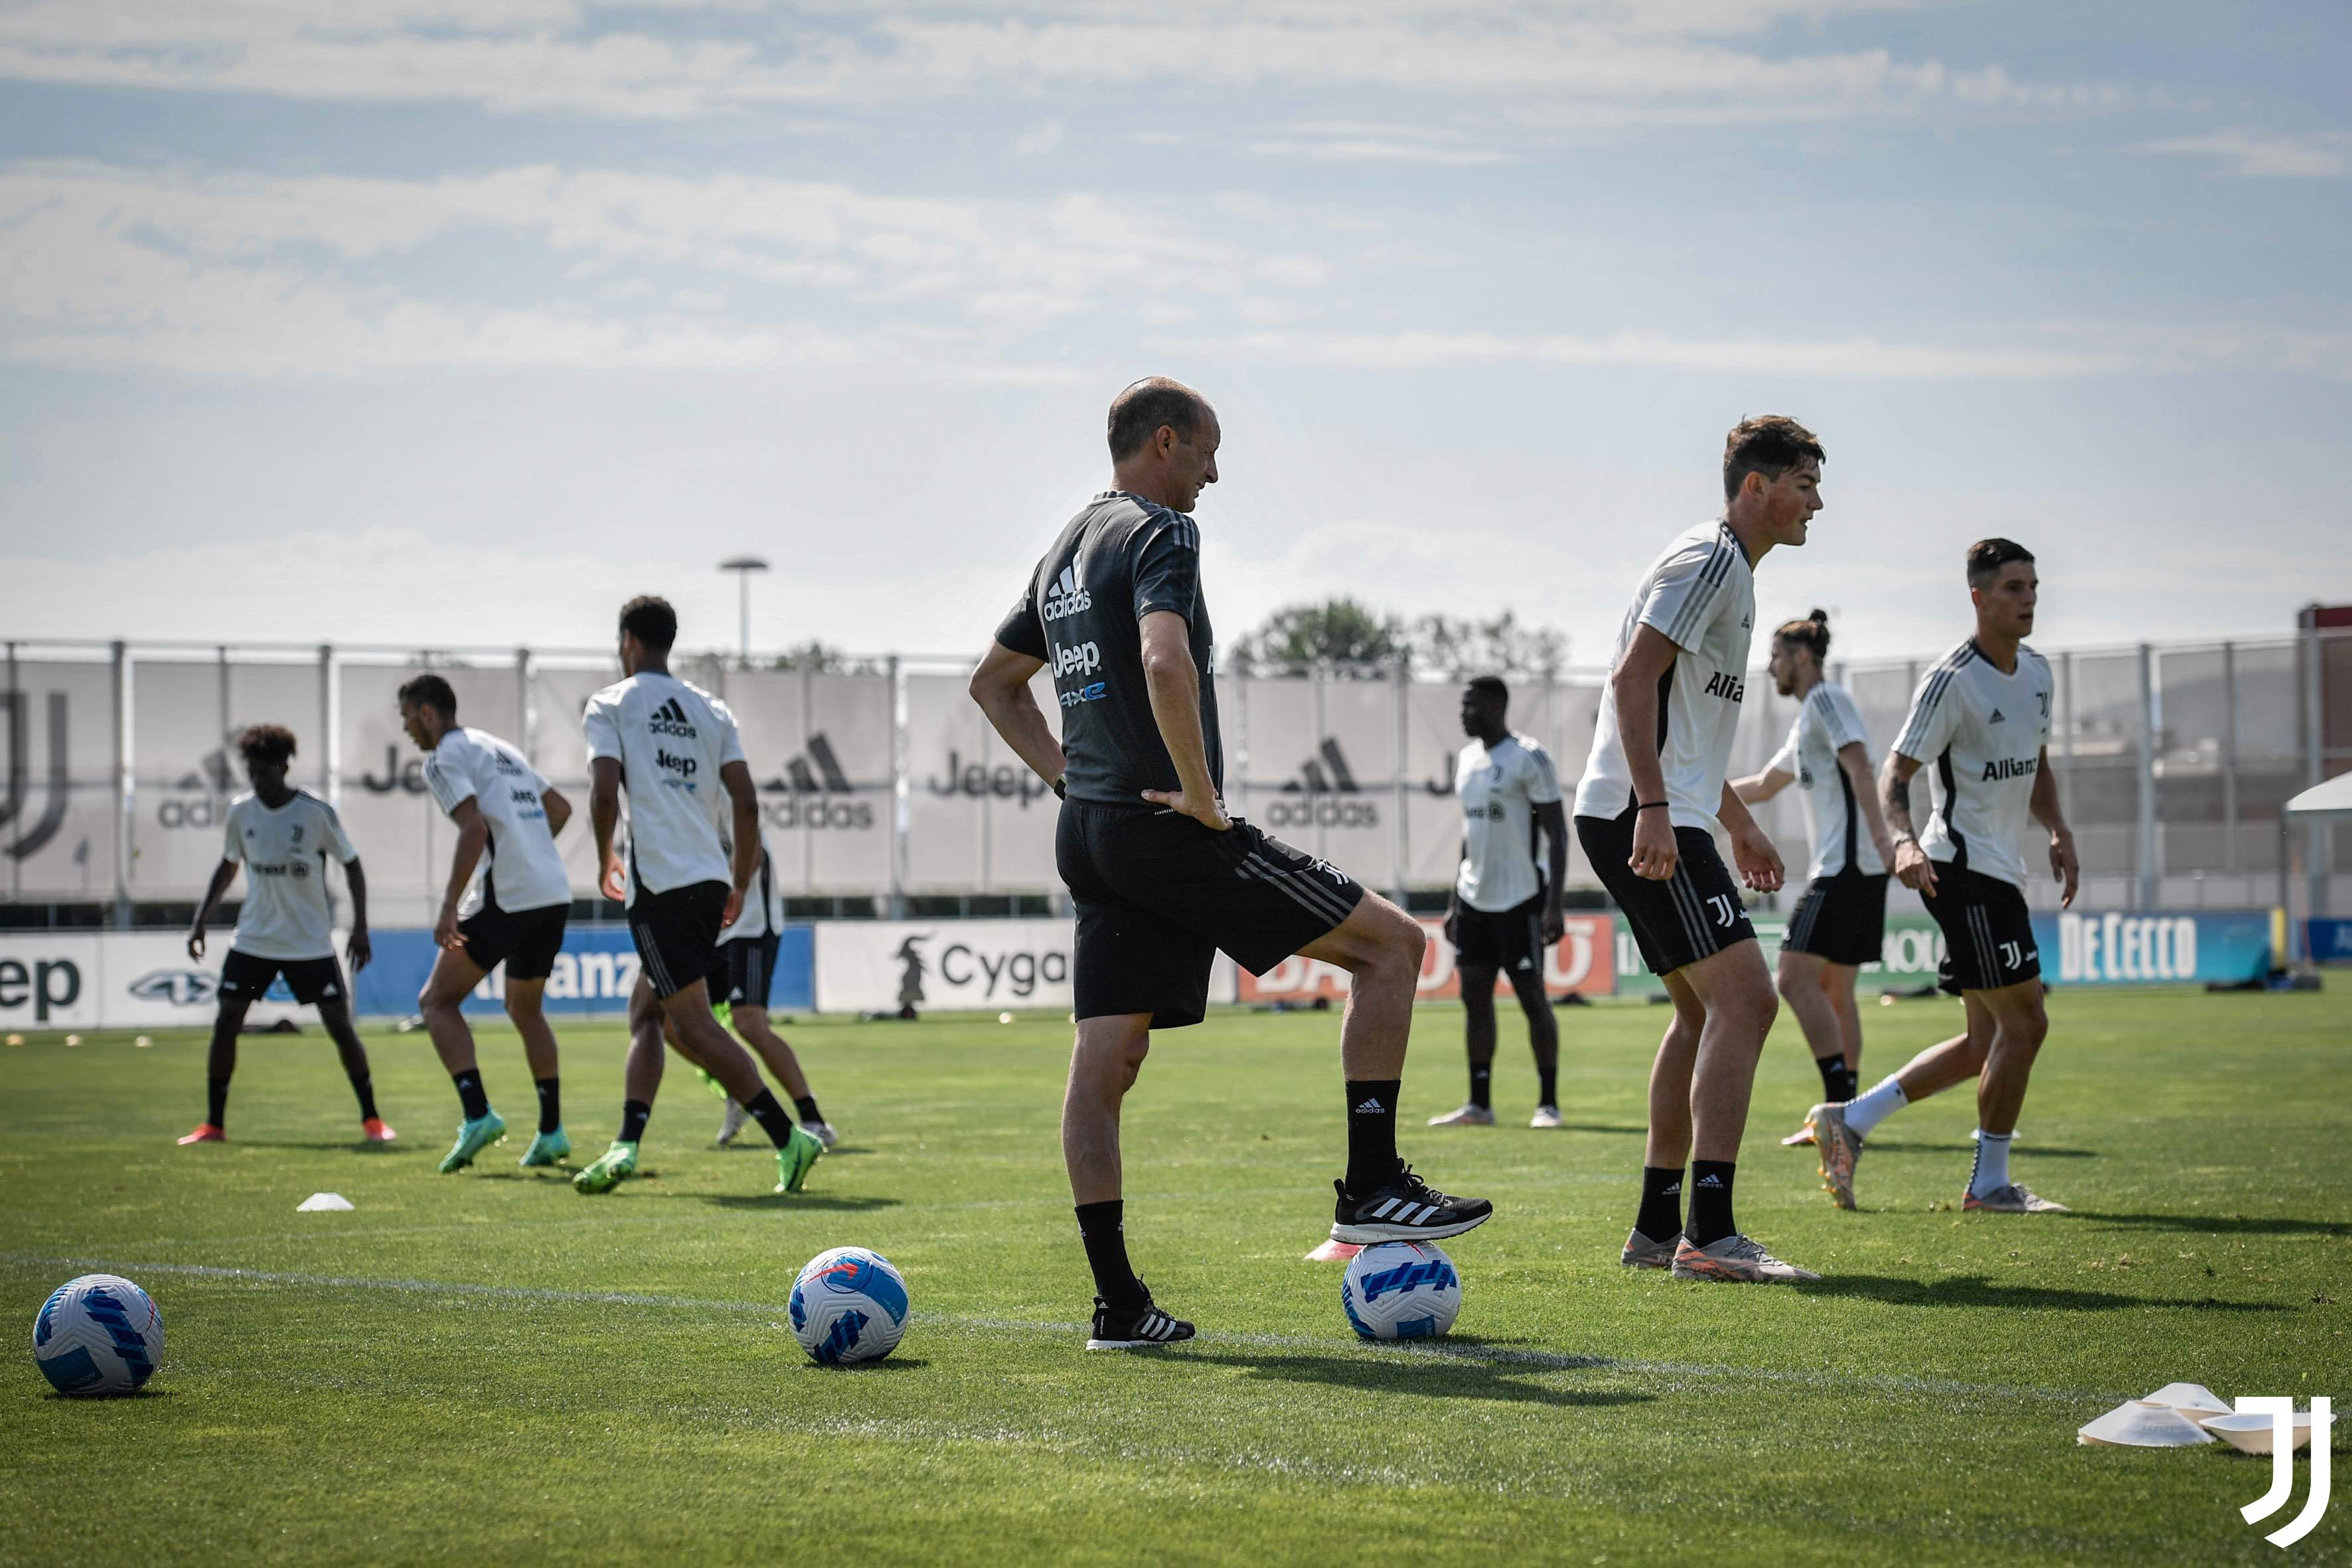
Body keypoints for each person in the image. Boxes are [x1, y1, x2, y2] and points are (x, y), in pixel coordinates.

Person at [969, 376, 1491, 1350]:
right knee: (1392, 948)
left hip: (1089, 831)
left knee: (1106, 1058)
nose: (1214, 473)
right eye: (1206, 452)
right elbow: (1165, 663)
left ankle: (1118, 1306)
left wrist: (1067, 777)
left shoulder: (1062, 551)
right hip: (1166, 826)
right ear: (1163, 442)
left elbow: (994, 686)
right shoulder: (1157, 532)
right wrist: (1202, 797)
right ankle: (1373, 1187)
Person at [1572, 416, 1823, 1284]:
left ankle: (1654, 1226)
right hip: (1642, 813)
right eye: (1801, 484)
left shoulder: (1732, 574)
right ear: (1753, 486)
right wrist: (1651, 807)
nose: (1814, 504)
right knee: (1746, 1003)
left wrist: (1736, 819)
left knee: (1697, 1012)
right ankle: (1708, 1232)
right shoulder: (1710, 558)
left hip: (1657, 808)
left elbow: (1681, 727)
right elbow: (1630, 679)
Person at [1811, 539, 2079, 1212]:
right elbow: (1895, 773)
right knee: (2028, 1025)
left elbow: (2034, 762)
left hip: (2000, 870)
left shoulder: (2040, 674)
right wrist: (1902, 842)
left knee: (1983, 1041)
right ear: (1979, 597)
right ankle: (1989, 1184)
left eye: (2033, 586)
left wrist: (2058, 828)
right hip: (1961, 871)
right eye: (2014, 588)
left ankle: (1851, 1119)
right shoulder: (1953, 680)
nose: (2028, 599)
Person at [571, 595, 826, 1198]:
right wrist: (738, 881)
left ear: (628, 641)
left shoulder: (610, 703)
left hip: (658, 881)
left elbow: (605, 793)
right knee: (648, 1012)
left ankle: (789, 1137)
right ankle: (625, 1145)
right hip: (709, 879)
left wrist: (606, 853)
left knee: (690, 1025)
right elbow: (746, 802)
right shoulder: (710, 710)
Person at [178, 725, 393, 1146]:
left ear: (284, 767)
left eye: (264, 772)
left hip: (308, 944)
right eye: (252, 773)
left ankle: (372, 1119)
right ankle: (214, 1125)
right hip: (254, 941)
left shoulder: (314, 813)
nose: (257, 781)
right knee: (226, 1025)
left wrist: (361, 927)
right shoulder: (241, 813)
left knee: (340, 1028)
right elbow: (228, 865)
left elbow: (352, 863)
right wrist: (200, 919)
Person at [397, 674, 576, 1174]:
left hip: (510, 895)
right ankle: (552, 1131)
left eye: (408, 718)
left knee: (436, 1001)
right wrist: (531, 849)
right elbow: (560, 809)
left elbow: (473, 828)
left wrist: (449, 905)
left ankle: (478, 1115)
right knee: (525, 1009)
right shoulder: (497, 747)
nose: (408, 729)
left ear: (427, 714)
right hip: (552, 892)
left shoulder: (443, 758)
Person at [1729, 612, 1895, 1148]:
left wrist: (1884, 839)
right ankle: (1846, 1113)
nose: (1771, 666)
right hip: (1856, 869)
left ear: (1801, 657)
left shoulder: (1826, 700)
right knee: (1835, 992)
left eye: (1776, 656)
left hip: (1846, 868)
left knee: (1793, 979)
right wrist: (1685, 791)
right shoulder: (1809, 718)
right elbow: (1758, 786)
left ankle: (1837, 1116)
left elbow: (1862, 769)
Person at [1429, 676, 1569, 1129]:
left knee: (1532, 998)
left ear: (1495, 706)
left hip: (1520, 898)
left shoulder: (1529, 757)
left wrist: (1553, 904)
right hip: (1473, 899)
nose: (1462, 714)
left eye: (1470, 705)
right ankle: (1479, 1104)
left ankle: (1547, 1103)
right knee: (1475, 999)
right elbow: (1471, 837)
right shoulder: (1467, 760)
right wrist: (1454, 899)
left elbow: (1557, 834)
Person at [686, 824, 838, 1150]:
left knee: (749, 1023)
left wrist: (722, 890)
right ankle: (736, 1088)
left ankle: (813, 1119)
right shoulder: (686, 805)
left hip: (750, 926)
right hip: (710, 931)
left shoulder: (727, 796)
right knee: (674, 1022)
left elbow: (752, 853)